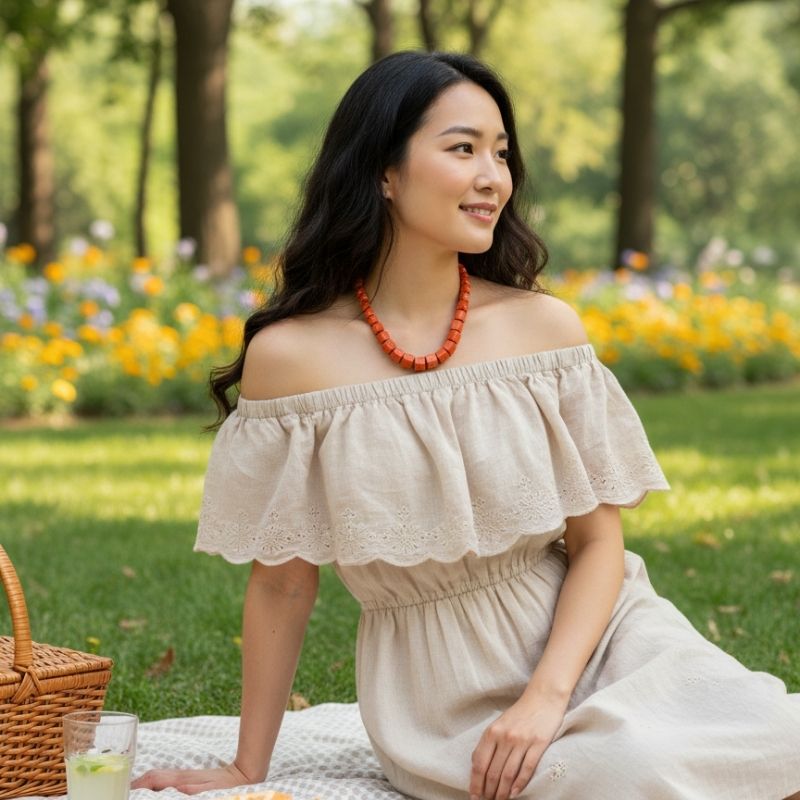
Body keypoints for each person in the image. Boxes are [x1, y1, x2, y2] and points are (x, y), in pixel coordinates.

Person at [133, 51, 800, 800]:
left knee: (777, 741)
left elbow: (598, 543)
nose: (494, 177)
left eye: (501, 152)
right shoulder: (292, 358)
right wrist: (246, 767)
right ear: (384, 171)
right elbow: (282, 585)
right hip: (437, 694)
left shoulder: (543, 329)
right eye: (463, 148)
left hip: (603, 639)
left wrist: (547, 698)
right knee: (628, 771)